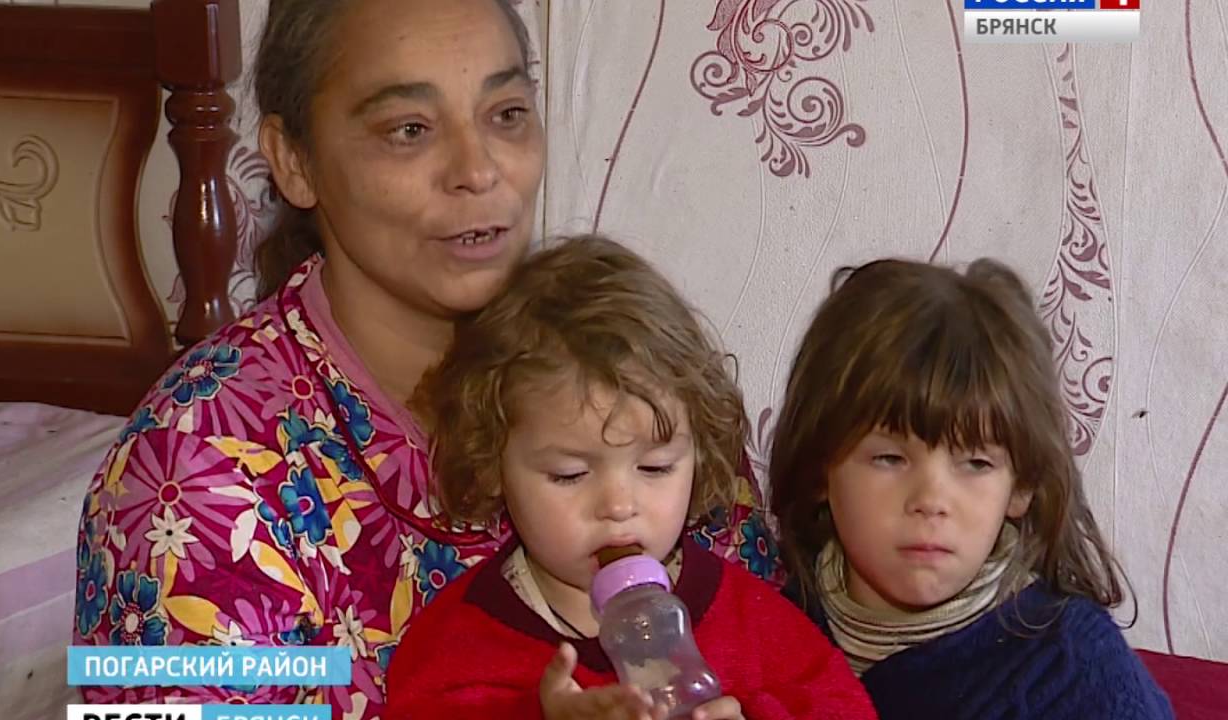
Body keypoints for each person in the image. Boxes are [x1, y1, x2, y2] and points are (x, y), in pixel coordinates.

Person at [72, 1, 778, 717]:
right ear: (294, 161)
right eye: (409, 130)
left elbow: (788, 667)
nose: (478, 170)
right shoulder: (194, 475)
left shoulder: (639, 380)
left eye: (506, 114)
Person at [384, 236, 875, 720]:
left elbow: (845, 707)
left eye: (655, 468)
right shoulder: (461, 641)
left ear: (698, 456)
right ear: (492, 466)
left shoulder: (751, 619)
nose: (619, 505)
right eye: (570, 474)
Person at [768, 257, 1174, 720]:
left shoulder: (1075, 669)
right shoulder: (765, 635)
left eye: (976, 463)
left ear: (1021, 486)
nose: (931, 501)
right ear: (819, 469)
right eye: (889, 459)